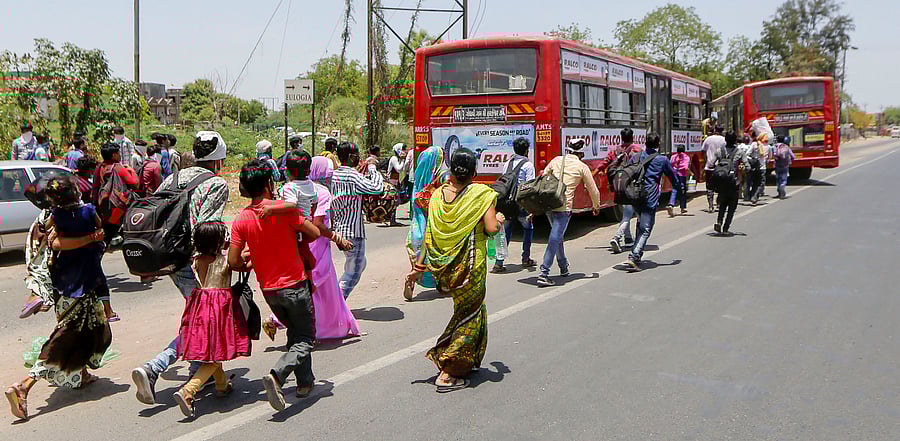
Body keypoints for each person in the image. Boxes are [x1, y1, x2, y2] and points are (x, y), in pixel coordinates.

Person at [131, 130, 230, 406]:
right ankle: (154, 367)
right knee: (203, 320)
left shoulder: (173, 177)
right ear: (219, 159)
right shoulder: (215, 184)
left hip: (169, 257)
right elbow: (206, 228)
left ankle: (198, 366)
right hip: (196, 260)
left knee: (198, 316)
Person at [5, 175, 112, 421]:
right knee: (65, 338)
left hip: (62, 283)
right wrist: (90, 239)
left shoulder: (53, 217)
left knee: (83, 332)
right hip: (82, 286)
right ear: (75, 192)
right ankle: (24, 386)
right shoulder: (88, 213)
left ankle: (81, 374)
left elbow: (53, 242)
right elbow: (98, 233)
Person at [228, 158, 321, 411]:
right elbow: (314, 233)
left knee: (295, 331)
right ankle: (277, 375)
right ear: (269, 183)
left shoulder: (241, 219)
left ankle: (305, 382)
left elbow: (233, 260)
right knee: (305, 337)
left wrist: (252, 260)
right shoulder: (284, 210)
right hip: (295, 284)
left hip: (269, 290)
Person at [407, 148, 503, 392]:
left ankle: (466, 360)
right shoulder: (482, 194)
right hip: (471, 267)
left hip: (444, 268)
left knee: (467, 311)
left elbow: (429, 235)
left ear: (450, 170)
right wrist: (500, 219)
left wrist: (419, 267)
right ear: (474, 171)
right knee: (469, 315)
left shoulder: (437, 196)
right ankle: (449, 369)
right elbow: (491, 228)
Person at [173, 221, 249, 418]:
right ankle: (189, 390)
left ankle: (222, 385)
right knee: (216, 354)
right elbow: (242, 263)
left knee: (214, 348)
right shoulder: (224, 261)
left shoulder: (197, 260)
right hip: (219, 308)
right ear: (218, 242)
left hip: (200, 304)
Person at [537, 139, 602, 287]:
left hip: (549, 204)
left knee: (557, 236)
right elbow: (593, 189)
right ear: (580, 153)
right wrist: (596, 205)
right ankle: (544, 272)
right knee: (555, 238)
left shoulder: (556, 160)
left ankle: (563, 266)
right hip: (563, 208)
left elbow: (543, 176)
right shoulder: (582, 167)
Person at [330, 142, 384, 298]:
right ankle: (335, 305)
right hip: (352, 230)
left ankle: (334, 300)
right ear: (351, 156)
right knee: (353, 273)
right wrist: (373, 168)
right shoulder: (351, 175)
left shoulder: (334, 175)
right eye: (357, 155)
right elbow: (376, 188)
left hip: (339, 227)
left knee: (358, 264)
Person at [624, 133, 681, 271]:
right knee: (646, 228)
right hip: (650, 196)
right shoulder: (662, 159)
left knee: (640, 224)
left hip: (635, 196)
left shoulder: (636, 156)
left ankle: (638, 252)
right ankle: (634, 255)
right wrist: (677, 191)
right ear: (658, 144)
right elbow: (674, 178)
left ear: (646, 143)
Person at [404, 146, 448, 300]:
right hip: (432, 230)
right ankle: (443, 284)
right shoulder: (440, 179)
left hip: (415, 231)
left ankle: (411, 281)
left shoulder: (417, 183)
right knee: (439, 258)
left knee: (417, 260)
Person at [595, 128, 644, 253]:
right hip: (632, 186)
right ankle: (617, 237)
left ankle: (628, 239)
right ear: (632, 137)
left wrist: (593, 174)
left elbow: (604, 163)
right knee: (628, 214)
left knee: (626, 211)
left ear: (621, 138)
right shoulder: (637, 150)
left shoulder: (615, 151)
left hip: (618, 186)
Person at [492, 137, 536, 273]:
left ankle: (499, 263)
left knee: (506, 232)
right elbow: (530, 186)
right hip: (520, 203)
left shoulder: (507, 163)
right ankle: (526, 258)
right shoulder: (528, 165)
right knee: (528, 228)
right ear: (526, 150)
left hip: (507, 204)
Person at [92, 142, 139, 249]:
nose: (120, 155)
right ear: (114, 155)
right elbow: (135, 184)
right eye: (118, 153)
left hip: (102, 207)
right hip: (116, 207)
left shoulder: (99, 167)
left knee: (107, 232)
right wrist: (132, 170)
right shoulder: (117, 167)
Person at [714, 131, 749, 236]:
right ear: (735, 141)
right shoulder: (740, 152)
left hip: (722, 183)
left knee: (722, 204)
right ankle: (725, 228)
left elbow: (711, 164)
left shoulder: (719, 151)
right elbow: (748, 167)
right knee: (732, 207)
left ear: (725, 140)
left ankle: (719, 221)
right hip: (734, 183)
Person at [701, 126, 727, 213]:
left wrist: (706, 162)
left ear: (715, 130)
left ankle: (711, 206)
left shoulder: (708, 139)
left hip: (709, 167)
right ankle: (719, 203)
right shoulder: (724, 140)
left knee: (709, 187)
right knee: (722, 186)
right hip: (721, 167)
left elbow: (703, 152)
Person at [386, 143, 411, 226]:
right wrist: (403, 160)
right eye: (402, 149)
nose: (404, 151)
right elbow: (399, 169)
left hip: (396, 183)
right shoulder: (394, 158)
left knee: (395, 202)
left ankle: (392, 219)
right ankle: (391, 220)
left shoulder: (398, 159)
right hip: (391, 183)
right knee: (393, 201)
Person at [667, 145, 691, 216]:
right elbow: (686, 168)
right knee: (682, 191)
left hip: (674, 174)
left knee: (675, 189)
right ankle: (682, 207)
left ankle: (671, 204)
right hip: (682, 176)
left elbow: (670, 165)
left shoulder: (673, 156)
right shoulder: (686, 157)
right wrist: (691, 173)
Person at [747, 132, 770, 204]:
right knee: (760, 183)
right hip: (761, 167)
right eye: (766, 136)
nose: (767, 138)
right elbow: (769, 157)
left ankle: (752, 195)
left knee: (755, 183)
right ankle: (754, 196)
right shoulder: (768, 147)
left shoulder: (754, 144)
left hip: (754, 167)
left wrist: (752, 159)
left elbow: (747, 154)